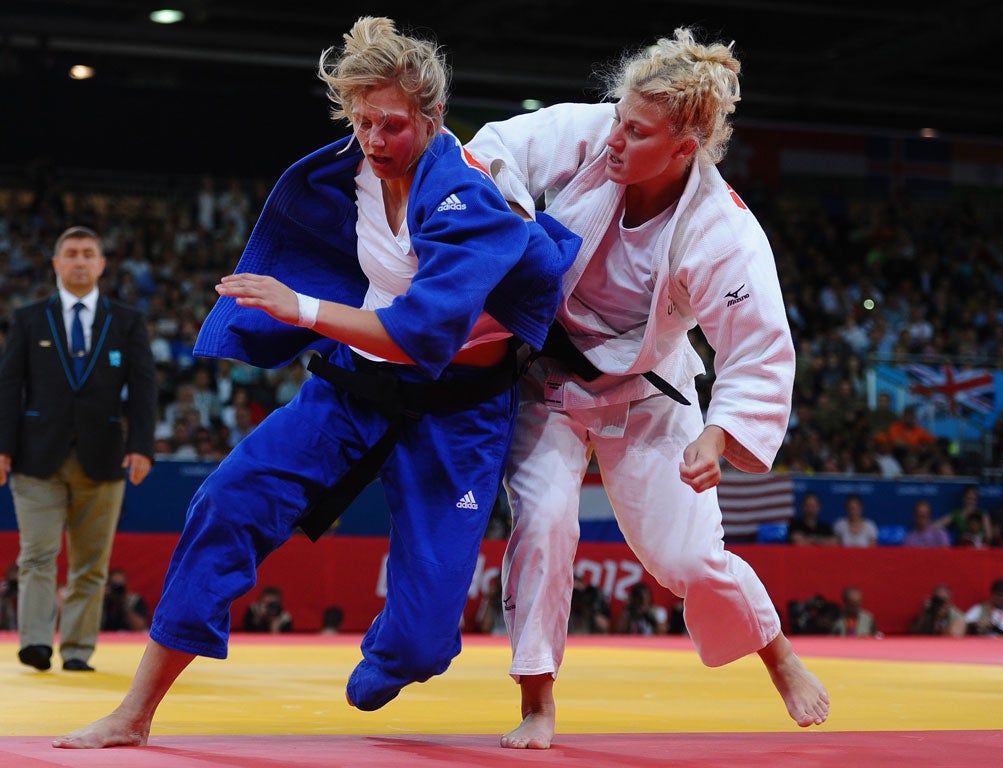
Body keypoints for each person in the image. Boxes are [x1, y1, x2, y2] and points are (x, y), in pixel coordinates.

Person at [53, 16, 577, 750]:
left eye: (392, 125)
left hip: (458, 412)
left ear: (433, 117)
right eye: (361, 122)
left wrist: (298, 306)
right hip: (355, 386)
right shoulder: (353, 163)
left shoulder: (470, 200)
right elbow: (371, 305)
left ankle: (397, 658)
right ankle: (134, 712)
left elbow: (420, 335)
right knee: (226, 500)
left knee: (425, 643)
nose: (374, 139)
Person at [466, 25, 829, 749]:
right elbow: (490, 150)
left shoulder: (720, 230)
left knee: (687, 559)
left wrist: (720, 432)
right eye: (619, 118)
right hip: (550, 374)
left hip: (648, 390)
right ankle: (537, 703)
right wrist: (516, 218)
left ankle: (777, 654)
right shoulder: (590, 134)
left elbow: (756, 347)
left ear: (684, 149)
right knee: (544, 521)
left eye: (637, 132)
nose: (616, 139)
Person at [0, 225, 157, 673]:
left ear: (102, 264)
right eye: (71, 253)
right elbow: (10, 387)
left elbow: (143, 389)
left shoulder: (126, 321)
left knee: (91, 563)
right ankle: (34, 642)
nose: (80, 261)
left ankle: (75, 649)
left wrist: (142, 445)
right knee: (37, 553)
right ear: (56, 264)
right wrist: (2, 446)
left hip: (103, 455)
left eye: (89, 253)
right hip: (36, 457)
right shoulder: (29, 318)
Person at [100, 567, 150, 632]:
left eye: (120, 586)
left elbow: (140, 628)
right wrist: (100, 598)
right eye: (114, 586)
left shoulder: (135, 600)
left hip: (130, 639)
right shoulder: (102, 601)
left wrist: (123, 604)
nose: (117, 590)